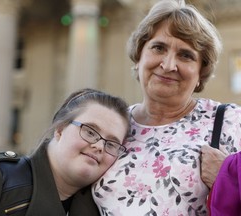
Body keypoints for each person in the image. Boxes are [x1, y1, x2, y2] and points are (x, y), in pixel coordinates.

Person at [90, 0, 241, 215]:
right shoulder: (112, 125)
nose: (169, 65)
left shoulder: (231, 121)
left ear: (201, 73)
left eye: (186, 55)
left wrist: (229, 177)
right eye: (158, 48)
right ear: (139, 57)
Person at [0, 88, 130, 216]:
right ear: (60, 129)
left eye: (112, 144)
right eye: (90, 132)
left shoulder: (106, 208)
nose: (99, 146)